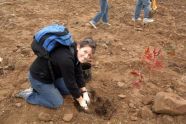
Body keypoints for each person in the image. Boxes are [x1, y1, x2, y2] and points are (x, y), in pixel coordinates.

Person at [16, 37, 96, 110]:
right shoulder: (66, 60)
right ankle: (30, 94)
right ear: (79, 47)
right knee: (57, 103)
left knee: (69, 90)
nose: (86, 56)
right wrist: (81, 100)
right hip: (39, 78)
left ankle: (48, 90)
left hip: (53, 76)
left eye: (89, 55)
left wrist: (84, 91)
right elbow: (70, 82)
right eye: (85, 51)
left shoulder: (75, 50)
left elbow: (78, 70)